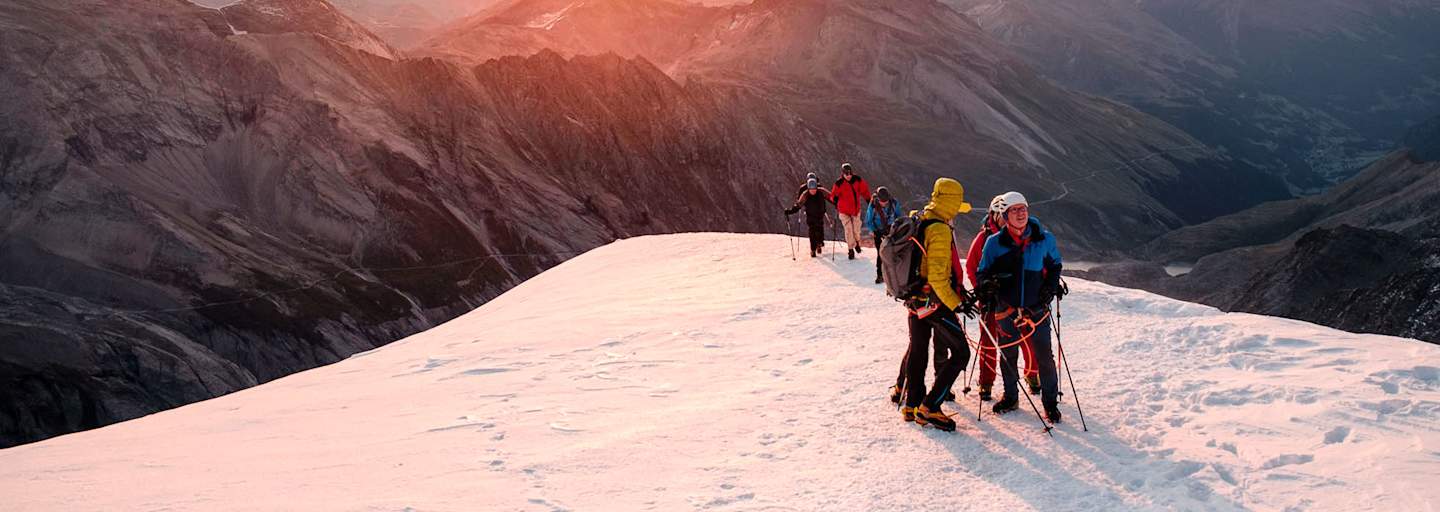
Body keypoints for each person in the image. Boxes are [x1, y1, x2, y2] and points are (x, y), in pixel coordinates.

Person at [976, 191, 1064, 423]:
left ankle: (1050, 403)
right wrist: (987, 286)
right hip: (1006, 308)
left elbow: (1055, 265)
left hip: (1037, 307)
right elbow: (982, 272)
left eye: (1023, 208)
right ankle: (1011, 396)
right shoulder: (994, 243)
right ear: (1005, 215)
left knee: (1044, 356)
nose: (1021, 213)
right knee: (1008, 354)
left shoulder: (1044, 239)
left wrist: (1049, 289)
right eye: (1014, 210)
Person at [899, 178, 975, 432]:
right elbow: (938, 278)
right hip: (934, 303)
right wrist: (958, 305)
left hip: (914, 300)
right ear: (952, 202)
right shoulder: (940, 229)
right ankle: (931, 406)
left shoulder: (920, 218)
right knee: (961, 352)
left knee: (919, 350)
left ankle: (912, 405)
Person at [963, 195, 1039, 401]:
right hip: (991, 301)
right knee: (988, 342)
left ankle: (1033, 375)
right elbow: (972, 268)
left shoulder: (1020, 235)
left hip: (1016, 300)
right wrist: (983, 291)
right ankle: (986, 382)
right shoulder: (984, 239)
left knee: (1026, 338)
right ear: (995, 215)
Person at [830, 163, 872, 260]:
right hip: (843, 211)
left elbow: (864, 190)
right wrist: (834, 199)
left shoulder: (857, 180)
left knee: (856, 229)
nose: (848, 176)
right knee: (848, 230)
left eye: (850, 174)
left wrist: (868, 200)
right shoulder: (839, 183)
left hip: (855, 210)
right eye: (846, 174)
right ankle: (850, 249)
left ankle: (857, 242)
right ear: (843, 174)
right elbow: (833, 195)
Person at [783, 179, 832, 257]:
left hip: (819, 215)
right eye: (811, 189)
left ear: (817, 187)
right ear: (808, 188)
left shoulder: (821, 192)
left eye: (814, 189)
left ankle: (819, 244)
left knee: (819, 229)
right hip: (811, 216)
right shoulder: (805, 194)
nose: (813, 191)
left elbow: (831, 197)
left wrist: (837, 203)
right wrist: (790, 211)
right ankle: (813, 249)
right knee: (812, 232)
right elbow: (798, 205)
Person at [864, 187, 902, 284]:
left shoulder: (894, 203)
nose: (884, 203)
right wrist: (875, 231)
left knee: (893, 251)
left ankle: (894, 274)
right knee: (880, 253)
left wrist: (897, 227)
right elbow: (868, 221)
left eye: (886, 201)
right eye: (882, 201)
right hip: (878, 230)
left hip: (891, 229)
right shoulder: (873, 205)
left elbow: (899, 216)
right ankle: (880, 275)